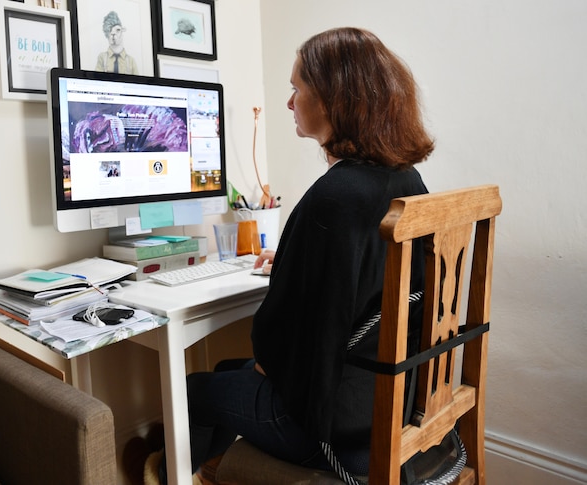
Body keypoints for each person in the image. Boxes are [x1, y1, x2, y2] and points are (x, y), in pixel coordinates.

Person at [164, 27, 435, 483]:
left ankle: (194, 472)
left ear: (332, 99)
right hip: (390, 400)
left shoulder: (336, 197)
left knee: (191, 391)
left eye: (296, 88)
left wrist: (293, 272)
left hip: (331, 431)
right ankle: (219, 471)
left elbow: (278, 350)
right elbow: (363, 276)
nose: (289, 102)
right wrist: (298, 265)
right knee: (231, 369)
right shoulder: (403, 178)